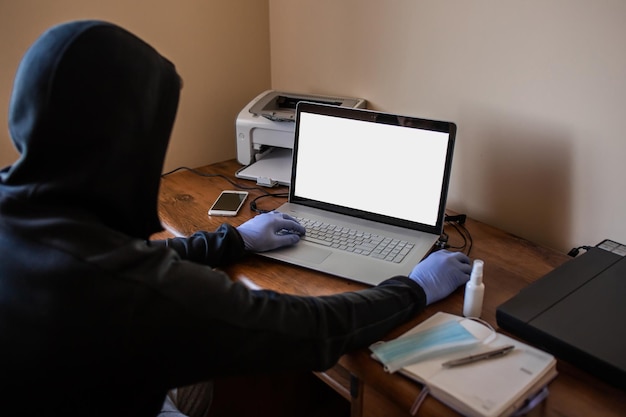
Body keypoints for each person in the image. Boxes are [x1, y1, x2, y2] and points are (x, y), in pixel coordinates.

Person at [0, 20, 472, 417]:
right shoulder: (128, 291)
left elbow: (105, 261)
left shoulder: (21, 211)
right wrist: (416, 288)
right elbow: (310, 331)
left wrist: (235, 241)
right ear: (128, 141)